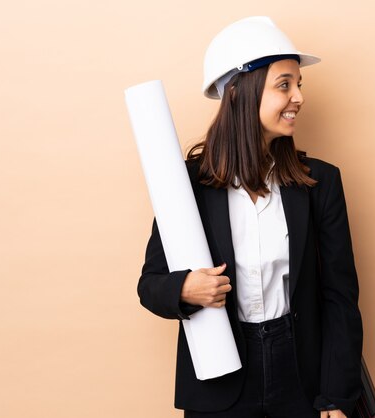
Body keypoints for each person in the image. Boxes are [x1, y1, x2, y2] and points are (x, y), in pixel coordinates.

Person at [137, 16, 363, 418]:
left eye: (298, 84)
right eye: (284, 85)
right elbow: (150, 285)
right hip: (221, 382)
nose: (298, 97)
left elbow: (339, 298)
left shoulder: (320, 183)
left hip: (302, 378)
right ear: (241, 94)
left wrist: (336, 394)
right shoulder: (187, 186)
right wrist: (184, 289)